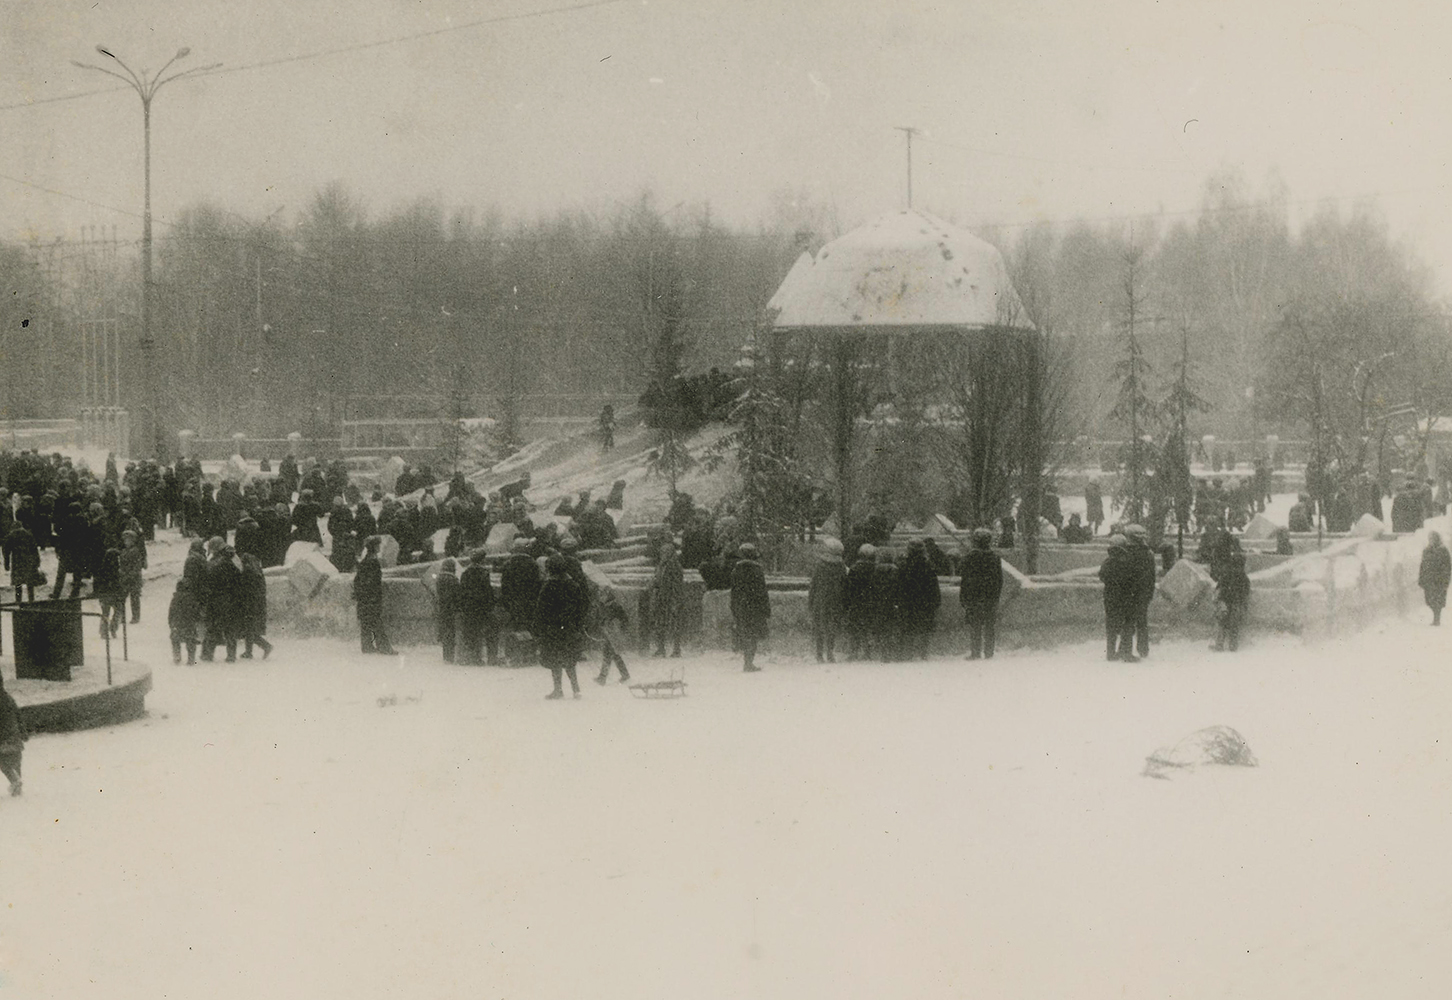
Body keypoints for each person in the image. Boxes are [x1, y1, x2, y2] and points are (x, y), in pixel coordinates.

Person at [537, 554, 586, 699]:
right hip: (569, 627)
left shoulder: (548, 586)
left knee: (555, 660)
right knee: (569, 659)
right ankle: (576, 689)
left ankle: (558, 689)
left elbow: (541, 609)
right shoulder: (573, 584)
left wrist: (540, 628)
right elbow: (580, 606)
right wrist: (578, 624)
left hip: (552, 628)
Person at [958, 528, 1003, 660]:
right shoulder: (995, 558)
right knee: (990, 626)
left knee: (975, 626)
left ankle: (975, 652)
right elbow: (999, 580)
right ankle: (989, 652)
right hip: (990, 597)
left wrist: (964, 597)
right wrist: (996, 596)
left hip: (974, 596)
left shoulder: (970, 557)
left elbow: (964, 578)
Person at [897, 540, 941, 660]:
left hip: (908, 602)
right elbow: (934, 587)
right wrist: (936, 602)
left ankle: (909, 652)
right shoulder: (929, 566)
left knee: (909, 628)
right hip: (925, 603)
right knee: (925, 628)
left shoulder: (904, 566)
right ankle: (923, 653)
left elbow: (899, 585)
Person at [729, 542, 770, 672]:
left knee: (745, 634)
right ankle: (749, 662)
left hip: (741, 607)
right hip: (755, 608)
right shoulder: (757, 570)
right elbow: (762, 591)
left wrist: (734, 608)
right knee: (753, 636)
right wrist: (766, 609)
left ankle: (746, 662)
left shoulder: (736, 570)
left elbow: (734, 592)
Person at [201, 540, 243, 663]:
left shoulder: (216, 563)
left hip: (217, 599)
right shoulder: (233, 559)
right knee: (229, 629)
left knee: (213, 627)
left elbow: (208, 579)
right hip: (231, 599)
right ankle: (231, 655)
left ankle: (208, 654)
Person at [354, 535, 396, 655]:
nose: (379, 547)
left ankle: (367, 646)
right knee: (377, 623)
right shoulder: (373, 562)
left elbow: (358, 580)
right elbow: (373, 582)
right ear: (374, 547)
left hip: (364, 598)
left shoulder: (364, 562)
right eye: (378, 545)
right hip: (371, 598)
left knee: (366, 624)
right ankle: (384, 647)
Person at [807, 537, 847, 663]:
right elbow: (844, 584)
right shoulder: (841, 566)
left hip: (821, 600)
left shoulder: (820, 565)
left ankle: (819, 654)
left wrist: (811, 600)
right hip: (835, 600)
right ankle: (830, 652)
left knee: (819, 626)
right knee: (832, 627)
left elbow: (813, 585)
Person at [1098, 535, 1137, 661]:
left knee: (1111, 626)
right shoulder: (1127, 561)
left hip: (1110, 597)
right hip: (1125, 597)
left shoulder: (1107, 561)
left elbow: (1102, 576)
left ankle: (1110, 653)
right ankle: (1126, 653)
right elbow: (1132, 579)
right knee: (1127, 624)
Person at [458, 550, 501, 665]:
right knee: (492, 631)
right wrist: (491, 604)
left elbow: (462, 592)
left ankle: (475, 658)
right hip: (482, 608)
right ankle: (492, 657)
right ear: (482, 560)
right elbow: (488, 591)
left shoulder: (465, 573)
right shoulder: (484, 573)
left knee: (473, 634)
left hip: (470, 609)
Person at [1123, 524, 1157, 659]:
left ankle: (1126, 650)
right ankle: (1143, 649)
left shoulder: (1126, 553)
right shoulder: (1148, 553)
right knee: (1142, 621)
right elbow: (1152, 577)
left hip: (1129, 592)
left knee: (1128, 622)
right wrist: (1149, 593)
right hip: (1143, 593)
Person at [1211, 550, 1251, 652]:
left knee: (1222, 624)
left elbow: (1218, 589)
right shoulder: (1244, 578)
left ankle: (1219, 645)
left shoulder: (1226, 574)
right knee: (1234, 624)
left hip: (1225, 602)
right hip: (1235, 603)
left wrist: (1219, 600)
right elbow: (1245, 594)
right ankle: (1232, 645)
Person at [592, 586, 632, 685]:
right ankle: (624, 674)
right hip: (607, 634)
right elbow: (600, 620)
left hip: (614, 635)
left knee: (608, 654)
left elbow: (624, 619)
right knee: (614, 655)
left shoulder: (615, 607)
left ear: (608, 596)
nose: (601, 597)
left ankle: (603, 677)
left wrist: (618, 628)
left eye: (603, 595)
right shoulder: (602, 606)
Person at [844, 543, 877, 660]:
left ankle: (854, 652)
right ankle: (867, 652)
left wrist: (846, 603)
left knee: (854, 628)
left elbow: (848, 588)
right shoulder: (875, 569)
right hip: (871, 603)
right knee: (868, 627)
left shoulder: (854, 569)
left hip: (856, 603)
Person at [652, 540, 684, 657]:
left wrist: (676, 599)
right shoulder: (661, 565)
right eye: (662, 551)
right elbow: (657, 579)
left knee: (674, 624)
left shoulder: (675, 566)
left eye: (665, 552)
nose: (663, 554)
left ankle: (676, 649)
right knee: (659, 623)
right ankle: (661, 648)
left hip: (671, 597)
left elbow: (677, 584)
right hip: (661, 597)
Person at [237, 553, 273, 660]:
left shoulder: (248, 572)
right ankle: (250, 651)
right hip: (257, 604)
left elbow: (244, 588)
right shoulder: (258, 572)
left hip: (249, 604)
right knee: (250, 629)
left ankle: (265, 646)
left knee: (248, 629)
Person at [0, 676, 27, 797]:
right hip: (14, 735)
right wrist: (23, 732)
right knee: (16, 761)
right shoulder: (8, 698)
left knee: (3, 762)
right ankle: (17, 786)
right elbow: (18, 715)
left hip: (2, 737)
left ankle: (15, 781)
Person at [3, 519, 42, 602]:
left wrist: (6, 563)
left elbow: (6, 550)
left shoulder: (11, 535)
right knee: (30, 582)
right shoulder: (28, 534)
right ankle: (31, 599)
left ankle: (18, 600)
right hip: (28, 560)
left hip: (17, 561)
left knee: (18, 583)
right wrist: (37, 561)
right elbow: (34, 549)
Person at [1419, 531, 1452, 626]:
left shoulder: (1443, 550)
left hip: (1439, 580)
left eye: (1433, 538)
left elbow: (1448, 566)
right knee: (1429, 600)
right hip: (1429, 580)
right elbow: (1422, 565)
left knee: (1437, 600)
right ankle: (1435, 617)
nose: (1431, 540)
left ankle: (1436, 619)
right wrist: (1421, 578)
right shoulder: (1426, 550)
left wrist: (1445, 579)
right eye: (1430, 539)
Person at [168, 577, 202, 665]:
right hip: (189, 623)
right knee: (190, 641)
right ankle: (191, 659)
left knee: (175, 640)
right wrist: (196, 620)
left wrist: (171, 623)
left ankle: (177, 656)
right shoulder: (192, 598)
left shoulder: (175, 599)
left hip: (177, 623)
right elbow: (196, 611)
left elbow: (171, 612)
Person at [435, 558, 461, 663]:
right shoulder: (453, 580)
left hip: (442, 608)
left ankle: (446, 656)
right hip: (451, 609)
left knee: (445, 632)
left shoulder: (439, 578)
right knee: (451, 632)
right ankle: (450, 656)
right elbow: (457, 595)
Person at [118, 529, 145, 625]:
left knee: (134, 598)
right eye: (125, 540)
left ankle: (135, 617)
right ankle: (121, 616)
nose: (126, 542)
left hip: (134, 579)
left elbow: (137, 567)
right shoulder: (123, 552)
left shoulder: (136, 552)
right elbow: (121, 565)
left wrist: (130, 575)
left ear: (133, 541)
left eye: (128, 540)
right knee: (121, 599)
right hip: (125, 578)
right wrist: (122, 573)